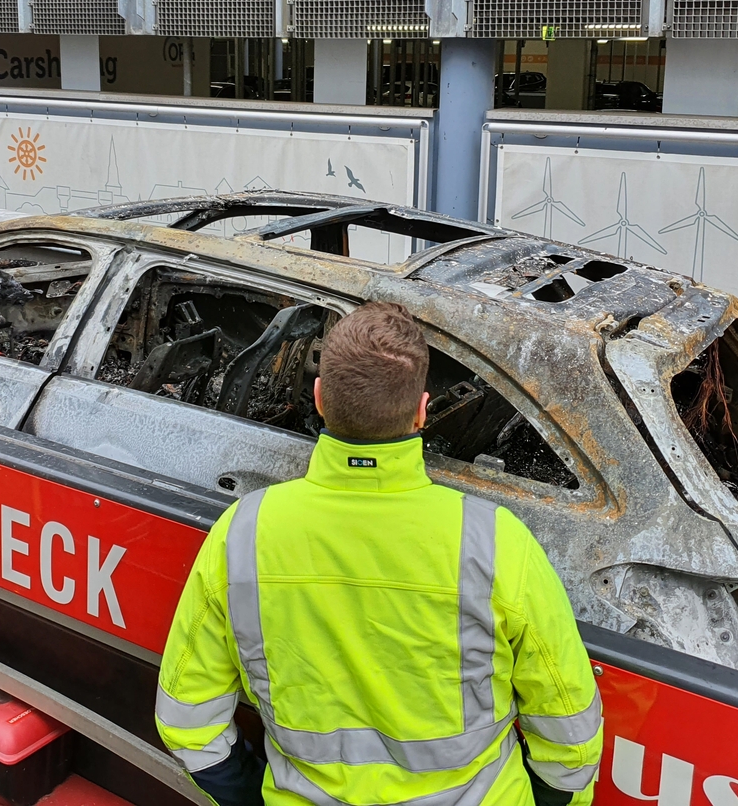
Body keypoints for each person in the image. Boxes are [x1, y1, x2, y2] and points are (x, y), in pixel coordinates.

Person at [156, 301, 603, 806]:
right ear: (422, 411)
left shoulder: (242, 534)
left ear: (318, 398)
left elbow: (188, 722)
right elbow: (570, 734)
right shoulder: (497, 541)